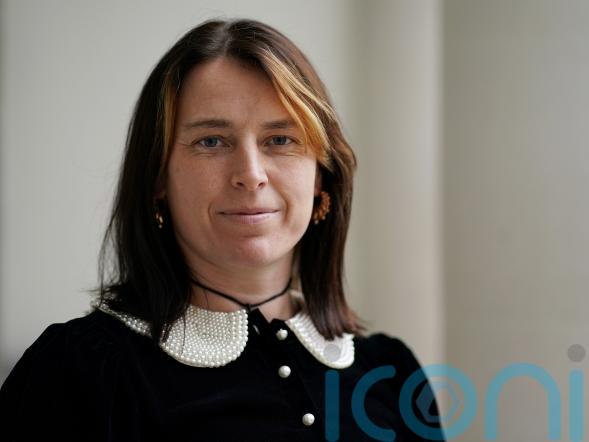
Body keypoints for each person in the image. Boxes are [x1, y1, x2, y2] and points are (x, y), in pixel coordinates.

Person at [0, 19, 446, 441]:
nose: (250, 174)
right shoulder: (77, 370)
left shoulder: (391, 373)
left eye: (280, 140)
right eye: (211, 141)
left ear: (321, 178)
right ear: (158, 179)